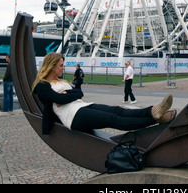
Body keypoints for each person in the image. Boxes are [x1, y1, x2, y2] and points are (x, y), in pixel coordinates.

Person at [32, 53, 176, 136]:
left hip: (82, 106)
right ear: (51, 67)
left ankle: (152, 110)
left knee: (118, 110)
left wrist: (68, 94)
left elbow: (78, 91)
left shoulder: (59, 82)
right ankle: (156, 118)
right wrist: (69, 94)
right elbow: (59, 98)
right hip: (73, 116)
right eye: (61, 65)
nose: (63, 68)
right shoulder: (42, 86)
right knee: (113, 120)